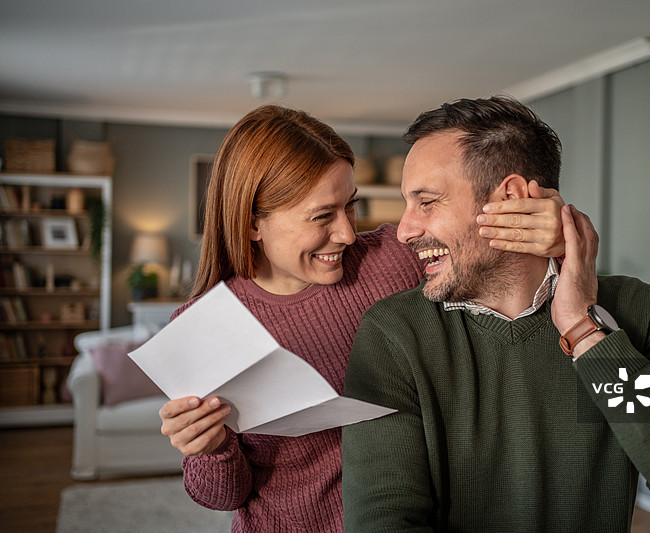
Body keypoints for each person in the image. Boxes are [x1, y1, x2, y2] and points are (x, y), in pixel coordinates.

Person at [342, 96, 650, 532]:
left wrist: (585, 332)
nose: (404, 230)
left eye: (427, 202)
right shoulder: (395, 332)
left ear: (511, 198)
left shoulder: (636, 310)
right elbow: (381, 522)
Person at [157, 104, 568, 532]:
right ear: (252, 225)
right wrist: (210, 447)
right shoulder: (202, 328)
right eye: (322, 216)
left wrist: (555, 233)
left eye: (349, 207)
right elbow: (223, 497)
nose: (347, 234)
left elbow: (478, 244)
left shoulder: (391, 258)